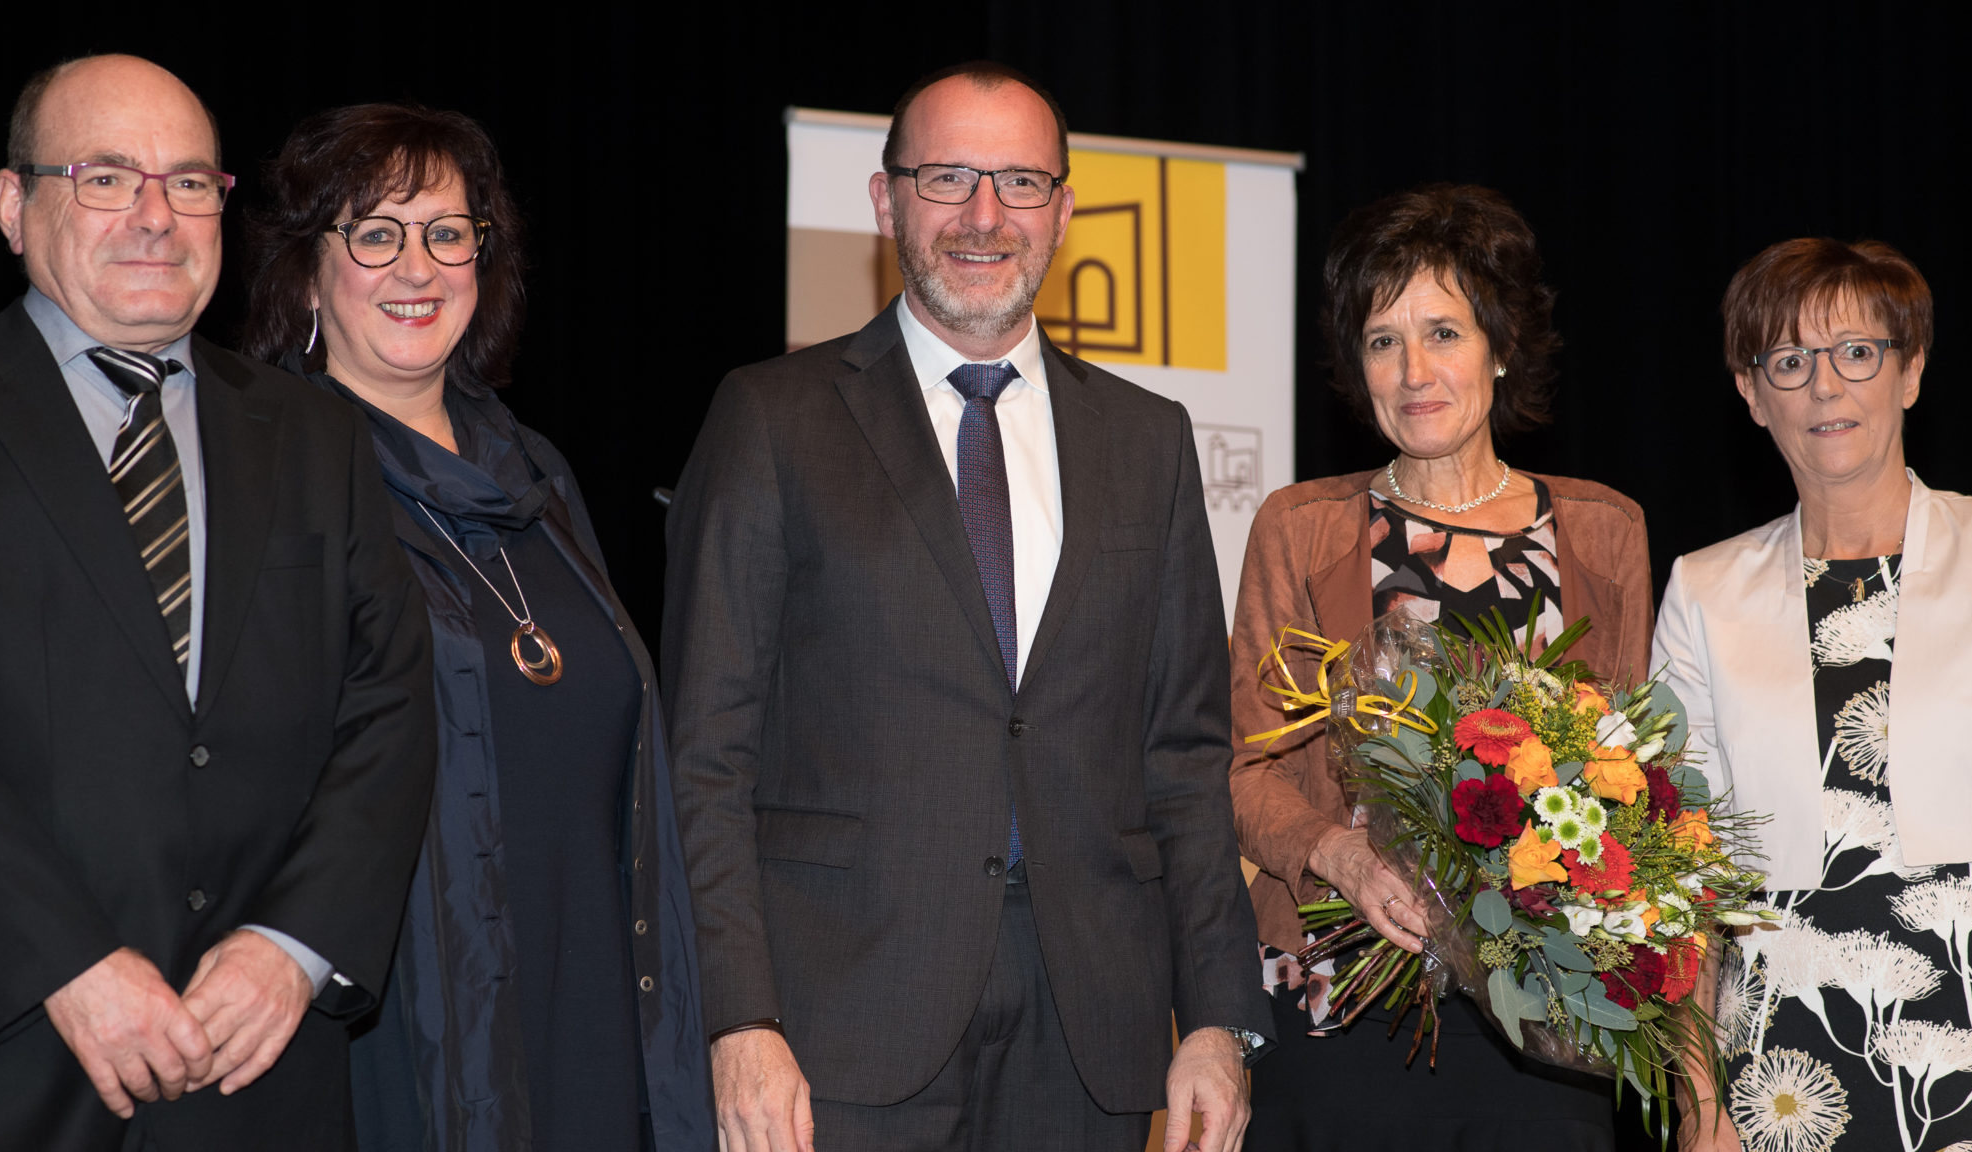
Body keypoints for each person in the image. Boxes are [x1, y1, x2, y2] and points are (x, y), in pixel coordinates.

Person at [662, 61, 1268, 1152]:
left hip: (1090, 1028)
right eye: (946, 177)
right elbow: (706, 753)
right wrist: (736, 1017)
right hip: (839, 1019)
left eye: (1020, 182)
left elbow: (1183, 757)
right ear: (885, 200)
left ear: (1063, 212)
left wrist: (1219, 1016)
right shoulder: (772, 418)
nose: (984, 215)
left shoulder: (1150, 440)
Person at [0, 56, 436, 1150]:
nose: (155, 216)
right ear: (13, 205)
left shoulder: (316, 436)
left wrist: (293, 948)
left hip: (262, 1072)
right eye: (104, 178)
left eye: (188, 182)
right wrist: (65, 964)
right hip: (15, 1064)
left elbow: (389, 709)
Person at [242, 103, 714, 1150]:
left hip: (596, 1014)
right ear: (308, 270)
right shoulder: (273, 475)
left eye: (446, 233)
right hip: (406, 1035)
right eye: (376, 233)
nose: (417, 267)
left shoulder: (537, 470)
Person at [1229, 184, 1649, 1150]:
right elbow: (1243, 769)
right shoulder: (1301, 528)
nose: (1414, 371)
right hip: (1341, 992)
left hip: (1545, 1006)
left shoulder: (1604, 529)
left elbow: (1633, 774)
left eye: (1444, 333)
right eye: (1383, 340)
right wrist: (1336, 853)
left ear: (1501, 347)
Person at [1653, 238, 1972, 1151]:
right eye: (1789, 361)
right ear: (1752, 394)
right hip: (1780, 1053)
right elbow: (1676, 879)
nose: (1825, 386)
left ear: (1911, 371)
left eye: (1856, 352)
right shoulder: (1703, 590)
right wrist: (1698, 1102)